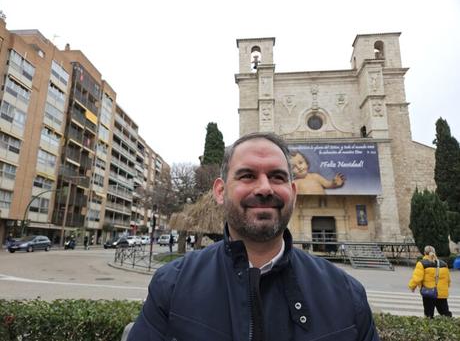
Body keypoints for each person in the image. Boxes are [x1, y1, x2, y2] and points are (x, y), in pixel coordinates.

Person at [128, 132, 379, 341]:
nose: (264, 188)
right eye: (247, 175)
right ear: (220, 191)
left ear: (293, 192)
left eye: (277, 177)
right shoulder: (171, 285)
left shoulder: (347, 294)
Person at [408, 245, 452, 318]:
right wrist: (445, 288)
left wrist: (412, 286)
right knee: (445, 314)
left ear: (425, 253)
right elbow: (448, 279)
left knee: (429, 315)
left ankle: (430, 328)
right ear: (435, 252)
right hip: (442, 293)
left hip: (429, 293)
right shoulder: (443, 264)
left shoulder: (422, 263)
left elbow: (417, 278)